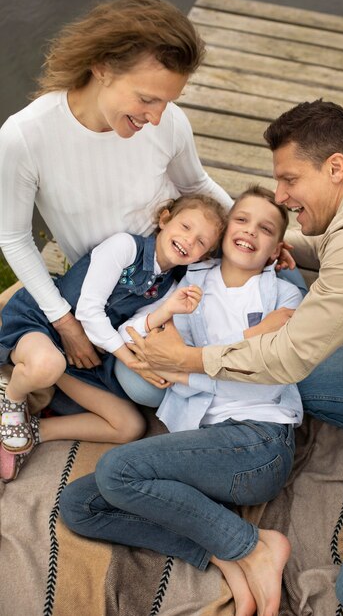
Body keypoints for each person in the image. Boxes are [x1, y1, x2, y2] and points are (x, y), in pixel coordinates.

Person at [124, 100, 343, 616]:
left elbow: (290, 356)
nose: (280, 195)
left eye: (288, 180)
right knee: (281, 378)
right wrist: (293, 250)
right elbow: (339, 248)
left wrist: (188, 359)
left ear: (334, 167)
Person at [60, 185, 305, 616]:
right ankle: (226, 552)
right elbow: (140, 336)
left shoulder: (283, 296)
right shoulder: (189, 284)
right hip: (206, 447)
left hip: (259, 442)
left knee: (118, 469)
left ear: (275, 250)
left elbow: (264, 373)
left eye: (265, 229)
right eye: (242, 220)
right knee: (79, 506)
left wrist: (185, 369)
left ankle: (257, 548)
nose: (250, 231)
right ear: (224, 232)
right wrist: (235, 343)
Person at [0, 0, 232, 375]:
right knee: (145, 383)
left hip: (175, 261)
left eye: (167, 102)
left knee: (283, 272)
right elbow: (14, 238)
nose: (157, 118)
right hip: (113, 289)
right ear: (102, 67)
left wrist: (248, 229)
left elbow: (196, 184)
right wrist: (65, 322)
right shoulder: (26, 136)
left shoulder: (169, 122)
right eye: (147, 99)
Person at [0, 194, 226, 482]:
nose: (189, 241)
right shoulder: (125, 247)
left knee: (130, 426)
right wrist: (130, 361)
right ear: (165, 219)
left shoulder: (169, 286)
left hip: (82, 353)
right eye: (185, 227)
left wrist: (167, 310)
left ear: (204, 256)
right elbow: (88, 311)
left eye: (201, 243)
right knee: (47, 363)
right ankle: (13, 400)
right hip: (45, 324)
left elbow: (125, 331)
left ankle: (32, 432)